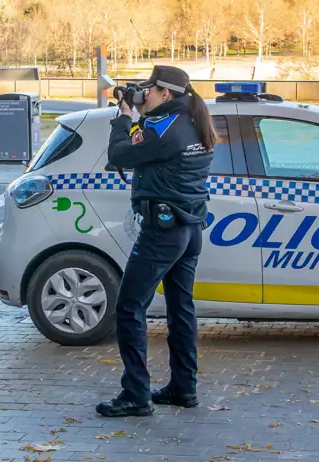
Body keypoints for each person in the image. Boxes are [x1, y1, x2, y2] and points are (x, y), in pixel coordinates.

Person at [96, 65, 216, 418]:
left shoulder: (166, 128)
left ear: (166, 93)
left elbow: (120, 154)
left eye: (148, 89)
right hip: (189, 226)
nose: (143, 94)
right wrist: (139, 114)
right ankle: (183, 387)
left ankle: (135, 393)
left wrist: (123, 117)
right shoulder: (194, 121)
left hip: (163, 231)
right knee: (181, 309)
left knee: (130, 306)